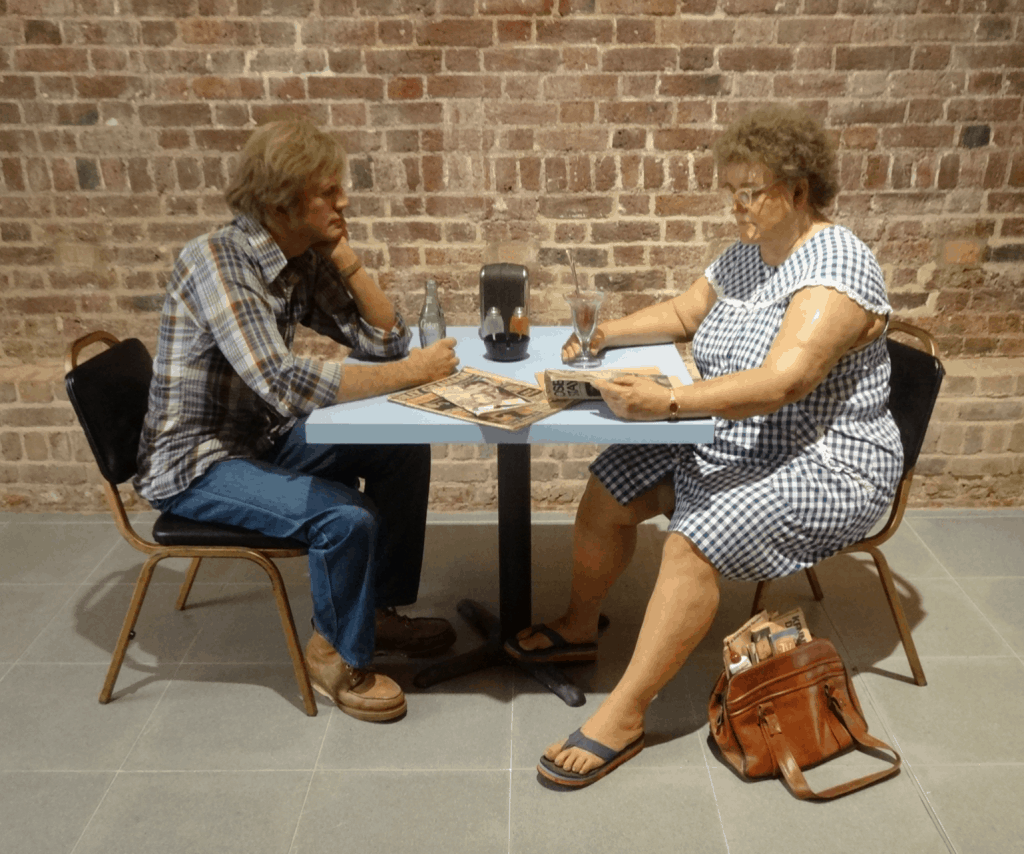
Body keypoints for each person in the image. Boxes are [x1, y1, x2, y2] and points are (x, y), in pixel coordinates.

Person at [506, 105, 904, 786]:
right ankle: (578, 626)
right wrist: (605, 337)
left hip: (824, 461)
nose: (736, 206)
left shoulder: (837, 264)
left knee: (692, 540)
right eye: (731, 191)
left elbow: (786, 381)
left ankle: (625, 715)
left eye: (750, 192)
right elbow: (688, 312)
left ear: (799, 189)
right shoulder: (749, 257)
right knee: (614, 479)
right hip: (736, 436)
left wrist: (665, 402)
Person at [135, 117, 461, 723]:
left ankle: (377, 612)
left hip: (258, 441)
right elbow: (284, 381)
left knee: (404, 444)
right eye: (326, 191)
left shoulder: (295, 261)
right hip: (197, 464)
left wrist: (347, 259)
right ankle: (336, 654)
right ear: (281, 202)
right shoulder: (218, 262)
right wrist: (416, 373)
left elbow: (382, 342)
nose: (344, 200)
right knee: (347, 516)